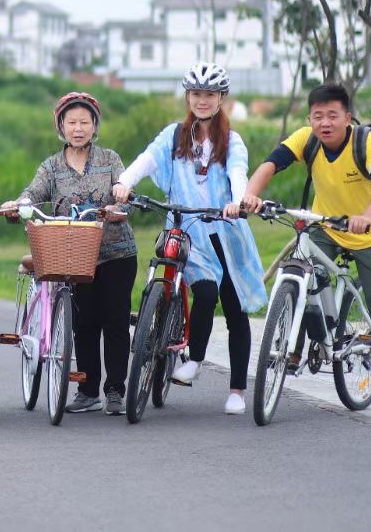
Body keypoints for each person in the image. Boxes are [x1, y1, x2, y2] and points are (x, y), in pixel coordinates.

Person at [233, 81, 371, 419]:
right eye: (318, 116)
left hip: (368, 233)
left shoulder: (367, 142)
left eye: (333, 115)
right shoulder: (307, 139)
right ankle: (295, 348)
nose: (325, 123)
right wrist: (251, 195)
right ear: (310, 118)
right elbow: (271, 163)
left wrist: (367, 216)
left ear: (348, 117)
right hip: (326, 227)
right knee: (301, 268)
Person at [113, 62, 265, 415]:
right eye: (196, 94)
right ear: (188, 96)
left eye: (210, 94)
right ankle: (194, 358)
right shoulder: (173, 135)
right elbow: (146, 160)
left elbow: (238, 172)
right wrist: (124, 182)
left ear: (221, 98)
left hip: (224, 232)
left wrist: (238, 200)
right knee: (206, 291)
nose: (202, 100)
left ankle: (238, 390)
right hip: (185, 231)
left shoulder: (232, 140)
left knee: (234, 307)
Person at [0, 92, 135, 415]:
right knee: (84, 323)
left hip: (116, 253)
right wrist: (17, 205)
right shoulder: (51, 166)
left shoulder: (110, 159)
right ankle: (87, 390)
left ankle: (115, 389)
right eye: (71, 122)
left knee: (115, 321)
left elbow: (124, 190)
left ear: (94, 126)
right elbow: (33, 193)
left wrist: (119, 201)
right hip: (74, 255)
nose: (78, 128)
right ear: (60, 126)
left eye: (84, 122)